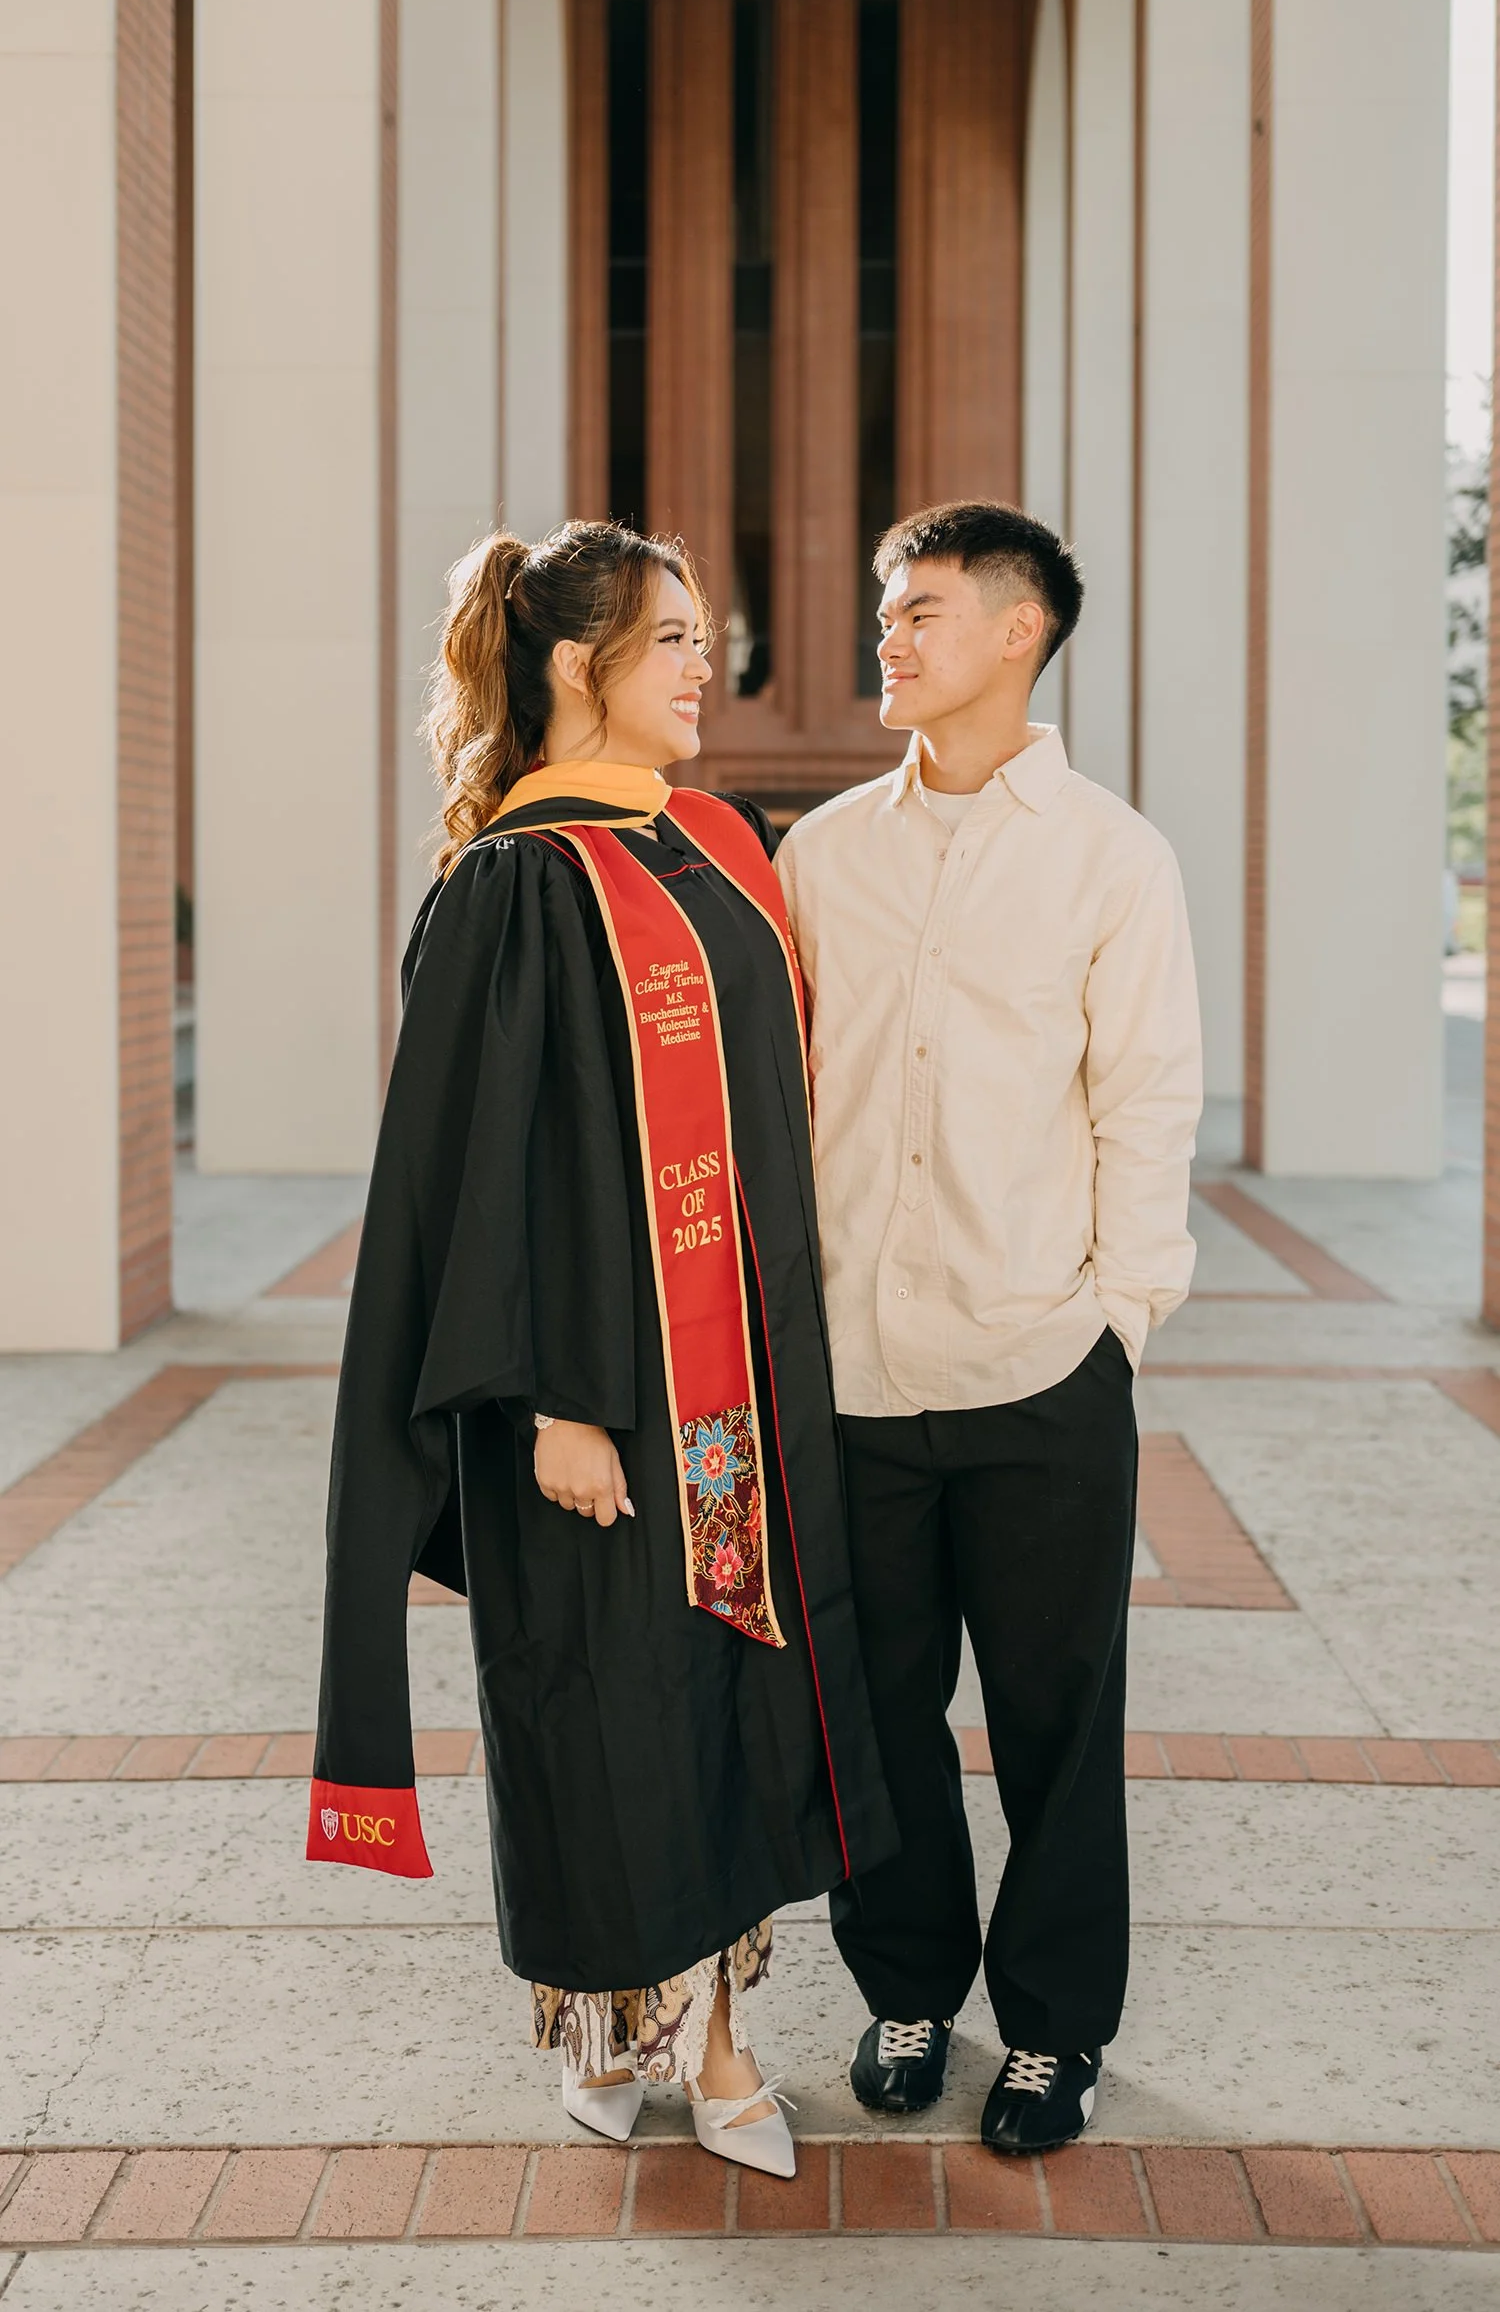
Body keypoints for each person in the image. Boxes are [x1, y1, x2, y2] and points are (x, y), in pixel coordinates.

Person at [308, 520, 895, 2181]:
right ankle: (606, 2025)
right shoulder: (513, 880)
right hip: (597, 1403)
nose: (711, 665)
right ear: (577, 667)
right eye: (675, 641)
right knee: (606, 1713)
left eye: (708, 637)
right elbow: (480, 1173)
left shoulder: (714, 841)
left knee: (733, 1697)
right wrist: (550, 1400)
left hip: (746, 1391)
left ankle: (720, 2041)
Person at [775, 500, 1202, 2154]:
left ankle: (1054, 2032)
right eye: (887, 607)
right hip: (860, 1379)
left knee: (1053, 1724)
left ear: (1020, 629)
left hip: (1042, 1373)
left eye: (923, 608)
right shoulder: (823, 855)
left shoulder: (1113, 854)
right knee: (873, 1723)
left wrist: (1119, 1320)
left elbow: (1145, 1101)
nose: (890, 633)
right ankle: (905, 1992)